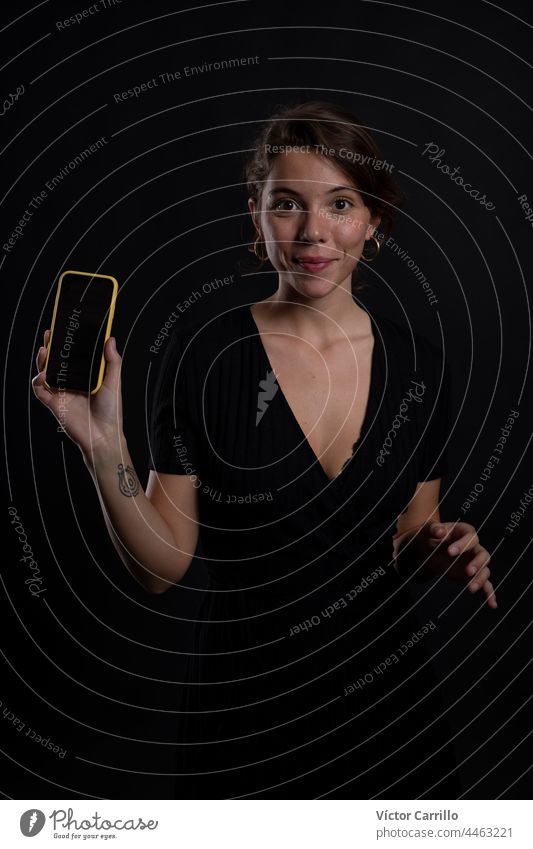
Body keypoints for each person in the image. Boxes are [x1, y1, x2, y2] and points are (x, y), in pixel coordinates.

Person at [33, 100, 497, 800]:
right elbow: (162, 567)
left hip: (390, 711)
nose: (313, 231)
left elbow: (405, 539)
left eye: (340, 203)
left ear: (372, 220)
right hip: (244, 713)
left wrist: (441, 549)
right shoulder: (208, 353)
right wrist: (102, 446)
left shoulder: (423, 367)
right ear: (256, 214)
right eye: (287, 204)